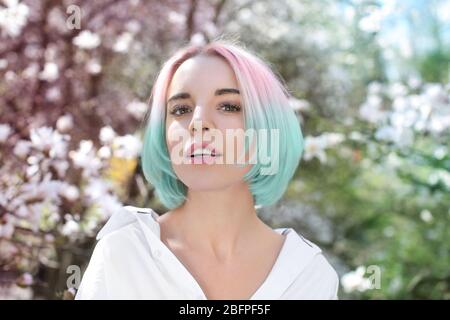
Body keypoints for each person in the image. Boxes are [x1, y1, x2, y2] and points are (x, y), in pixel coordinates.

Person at [75, 39, 339, 300]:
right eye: (181, 109)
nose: (198, 123)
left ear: (269, 128)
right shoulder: (122, 254)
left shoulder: (309, 275)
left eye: (229, 106)